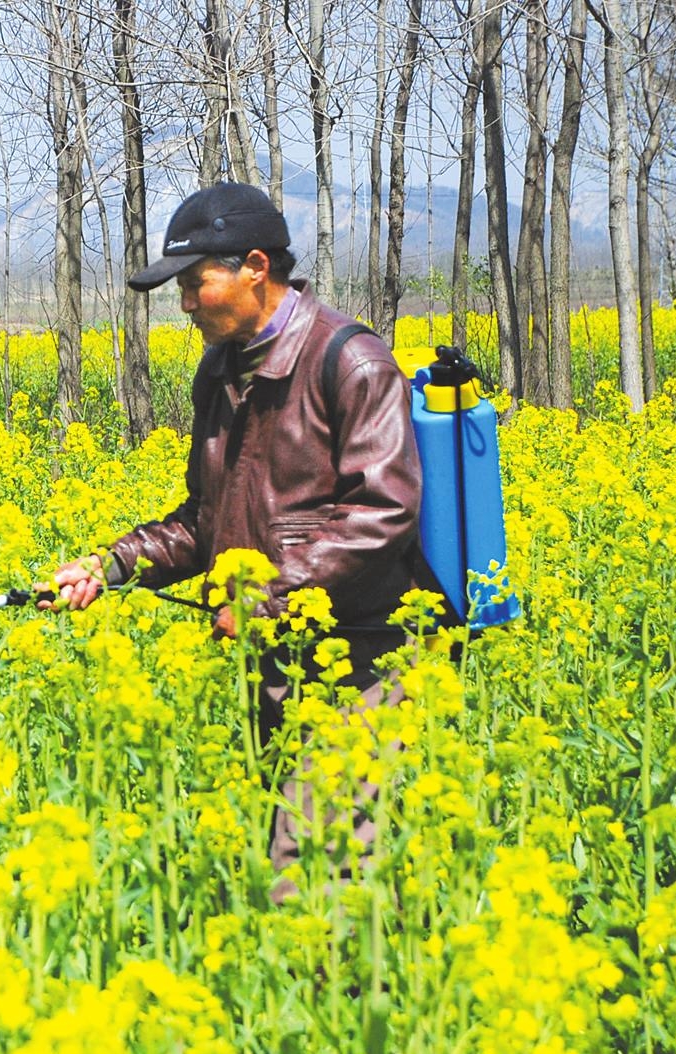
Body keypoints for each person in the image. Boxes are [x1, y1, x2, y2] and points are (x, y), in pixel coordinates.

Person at [39, 182, 438, 904]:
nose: (185, 304)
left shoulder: (352, 363)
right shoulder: (220, 372)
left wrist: (269, 593)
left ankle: (355, 1008)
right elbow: (205, 519)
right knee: (299, 860)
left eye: (196, 284)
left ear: (256, 266)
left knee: (311, 878)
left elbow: (384, 510)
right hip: (278, 662)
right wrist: (111, 564)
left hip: (363, 662)